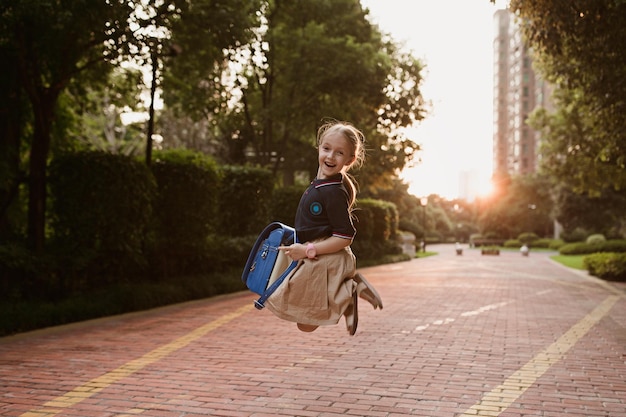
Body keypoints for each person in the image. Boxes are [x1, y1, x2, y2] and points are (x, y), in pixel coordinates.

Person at [265, 120, 383, 335]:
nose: (330, 156)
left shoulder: (333, 192)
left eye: (339, 153)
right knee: (304, 322)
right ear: (319, 147)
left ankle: (349, 292)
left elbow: (345, 236)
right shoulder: (321, 184)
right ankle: (350, 289)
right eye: (326, 148)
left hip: (323, 259)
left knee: (307, 323)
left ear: (350, 159)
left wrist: (308, 250)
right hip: (315, 255)